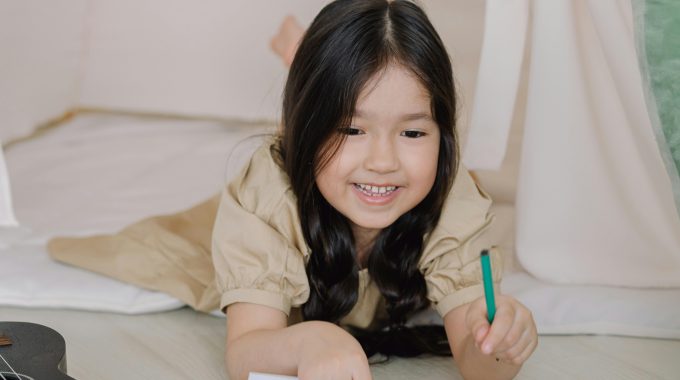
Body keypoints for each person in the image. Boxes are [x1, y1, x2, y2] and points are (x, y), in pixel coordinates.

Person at [212, 1, 538, 379]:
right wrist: (310, 340)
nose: (383, 162)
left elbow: (480, 366)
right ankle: (295, 49)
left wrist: (501, 344)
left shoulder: (452, 199)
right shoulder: (265, 197)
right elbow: (246, 350)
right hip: (280, 195)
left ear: (444, 135)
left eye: (413, 132)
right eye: (351, 130)